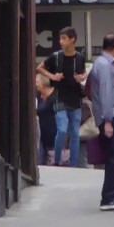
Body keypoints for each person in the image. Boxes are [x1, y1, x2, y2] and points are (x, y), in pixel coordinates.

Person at [89, 33, 114, 211]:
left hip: (112, 116)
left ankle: (111, 196)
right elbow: (106, 93)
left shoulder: (102, 63)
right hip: (112, 117)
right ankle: (109, 198)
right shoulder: (105, 66)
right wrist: (108, 121)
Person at [37, 27, 87, 166]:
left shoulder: (79, 58)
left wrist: (81, 77)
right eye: (60, 38)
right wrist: (53, 76)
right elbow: (40, 67)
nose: (61, 41)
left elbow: (84, 72)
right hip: (60, 96)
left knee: (75, 132)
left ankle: (73, 163)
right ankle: (57, 159)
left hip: (75, 97)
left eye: (64, 38)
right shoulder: (56, 57)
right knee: (62, 129)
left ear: (73, 40)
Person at [35, 74, 57, 165]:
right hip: (41, 136)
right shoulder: (38, 97)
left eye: (37, 81)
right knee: (40, 161)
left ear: (44, 82)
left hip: (53, 136)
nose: (35, 84)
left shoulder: (55, 96)